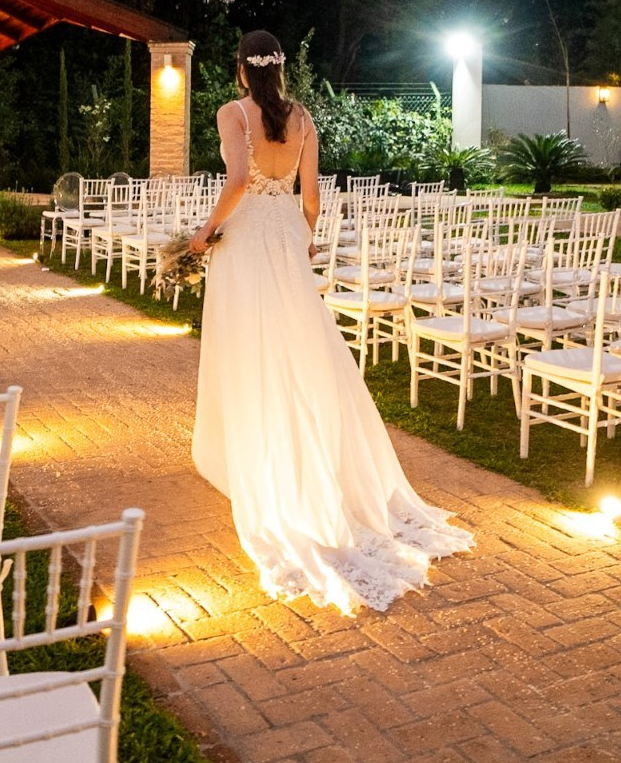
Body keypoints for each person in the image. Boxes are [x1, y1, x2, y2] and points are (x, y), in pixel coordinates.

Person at [189, 30, 472, 613]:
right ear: (279, 70)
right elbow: (311, 194)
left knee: (249, 346)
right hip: (287, 236)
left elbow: (237, 182)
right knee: (303, 343)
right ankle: (310, 454)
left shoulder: (233, 114)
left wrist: (204, 231)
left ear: (241, 70)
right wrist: (307, 234)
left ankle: (262, 458)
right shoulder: (302, 118)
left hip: (246, 240)